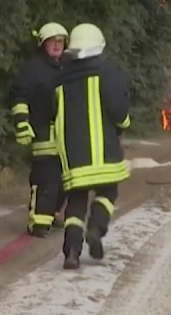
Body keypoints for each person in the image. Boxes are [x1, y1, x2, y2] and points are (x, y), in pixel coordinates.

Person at [49, 23, 132, 269]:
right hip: (104, 152)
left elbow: (54, 113)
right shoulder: (107, 72)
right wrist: (122, 125)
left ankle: (72, 252)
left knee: (76, 201)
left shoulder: (60, 78)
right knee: (107, 192)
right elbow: (119, 109)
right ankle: (96, 227)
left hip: (73, 156)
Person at [9, 22, 69, 237]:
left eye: (60, 41)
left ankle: (52, 214)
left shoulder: (67, 66)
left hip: (67, 134)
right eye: (52, 41)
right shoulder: (33, 69)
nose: (57, 45)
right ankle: (38, 223)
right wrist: (22, 123)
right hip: (44, 130)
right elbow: (20, 97)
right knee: (46, 178)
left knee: (66, 179)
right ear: (43, 44)